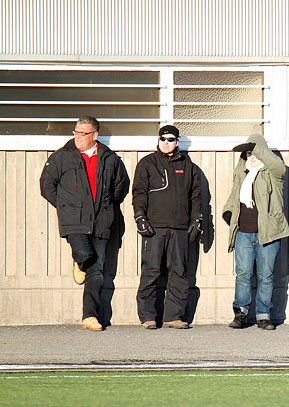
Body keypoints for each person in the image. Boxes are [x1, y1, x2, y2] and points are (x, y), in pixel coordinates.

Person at [39, 116, 129, 331]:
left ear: (95, 135)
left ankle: (90, 316)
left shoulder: (110, 158)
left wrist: (106, 206)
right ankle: (79, 261)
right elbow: (46, 186)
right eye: (76, 132)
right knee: (85, 255)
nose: (78, 137)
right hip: (74, 221)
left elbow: (120, 187)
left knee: (97, 271)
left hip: (101, 221)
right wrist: (66, 207)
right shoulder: (62, 157)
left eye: (83, 133)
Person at [132, 125, 202, 330]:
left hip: (180, 228)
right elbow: (139, 193)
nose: (166, 143)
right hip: (155, 228)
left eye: (170, 139)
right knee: (151, 270)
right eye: (163, 139)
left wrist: (197, 220)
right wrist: (140, 217)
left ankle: (174, 315)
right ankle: (148, 316)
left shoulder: (188, 167)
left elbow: (195, 197)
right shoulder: (147, 164)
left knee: (179, 272)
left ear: (177, 142)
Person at [223, 134, 289, 331]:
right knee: (243, 275)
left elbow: (276, 165)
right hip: (244, 232)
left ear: (263, 152)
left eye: (256, 152)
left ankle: (263, 316)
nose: (252, 156)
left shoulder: (273, 174)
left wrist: (259, 148)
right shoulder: (242, 173)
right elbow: (234, 196)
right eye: (248, 153)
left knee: (265, 276)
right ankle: (241, 314)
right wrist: (227, 212)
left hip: (268, 233)